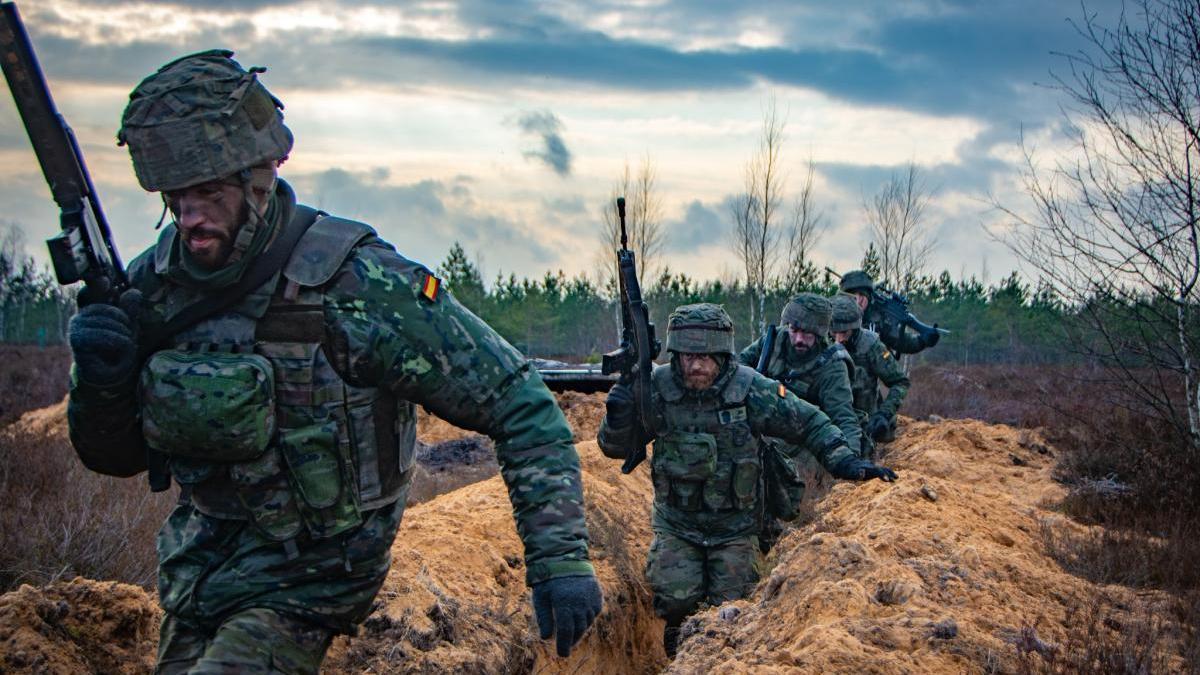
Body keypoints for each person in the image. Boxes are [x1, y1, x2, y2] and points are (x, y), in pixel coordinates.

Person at [65, 50, 600, 673]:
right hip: (198, 576)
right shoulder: (155, 287)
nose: (191, 219)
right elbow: (115, 457)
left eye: (208, 195)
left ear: (257, 180)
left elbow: (518, 402)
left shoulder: (359, 283)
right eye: (175, 199)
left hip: (316, 574)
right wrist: (101, 383)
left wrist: (560, 561)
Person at [597, 303, 896, 657]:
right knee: (675, 598)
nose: (696, 365)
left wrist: (846, 461)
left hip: (736, 530)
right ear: (676, 353)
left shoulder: (750, 389)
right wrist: (618, 416)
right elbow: (614, 449)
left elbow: (809, 422)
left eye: (706, 357)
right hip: (677, 525)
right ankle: (679, 654)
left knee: (732, 614)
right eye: (688, 355)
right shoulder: (658, 388)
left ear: (723, 355)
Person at [736, 293, 864, 551]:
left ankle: (780, 543)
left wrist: (850, 464)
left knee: (792, 506)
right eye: (794, 330)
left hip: (803, 445)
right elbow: (736, 371)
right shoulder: (772, 343)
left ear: (820, 334)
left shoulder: (832, 365)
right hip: (763, 436)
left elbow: (844, 416)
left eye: (807, 334)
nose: (798, 339)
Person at [830, 293, 911, 455]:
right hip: (830, 420)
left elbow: (900, 382)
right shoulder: (820, 340)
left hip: (865, 424)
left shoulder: (870, 345)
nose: (838, 339)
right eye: (834, 332)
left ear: (854, 327)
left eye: (844, 333)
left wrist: (884, 413)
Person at [838, 269, 938, 355]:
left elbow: (901, 343)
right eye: (854, 296)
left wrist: (922, 341)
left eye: (862, 295)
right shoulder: (833, 316)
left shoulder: (876, 320)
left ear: (869, 297)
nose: (859, 300)